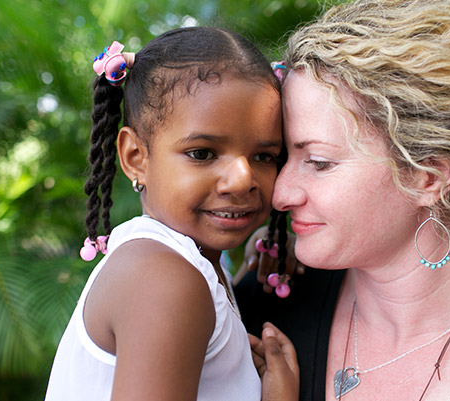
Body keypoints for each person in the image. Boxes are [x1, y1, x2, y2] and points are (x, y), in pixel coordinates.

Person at [235, 0, 450, 400]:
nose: (280, 194)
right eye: (281, 158)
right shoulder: (271, 302)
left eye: (319, 162)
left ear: (427, 177)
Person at [44, 26, 298, 401]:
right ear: (135, 158)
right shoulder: (164, 281)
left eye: (264, 156)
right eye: (202, 153)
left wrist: (260, 252)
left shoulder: (185, 264)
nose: (243, 180)